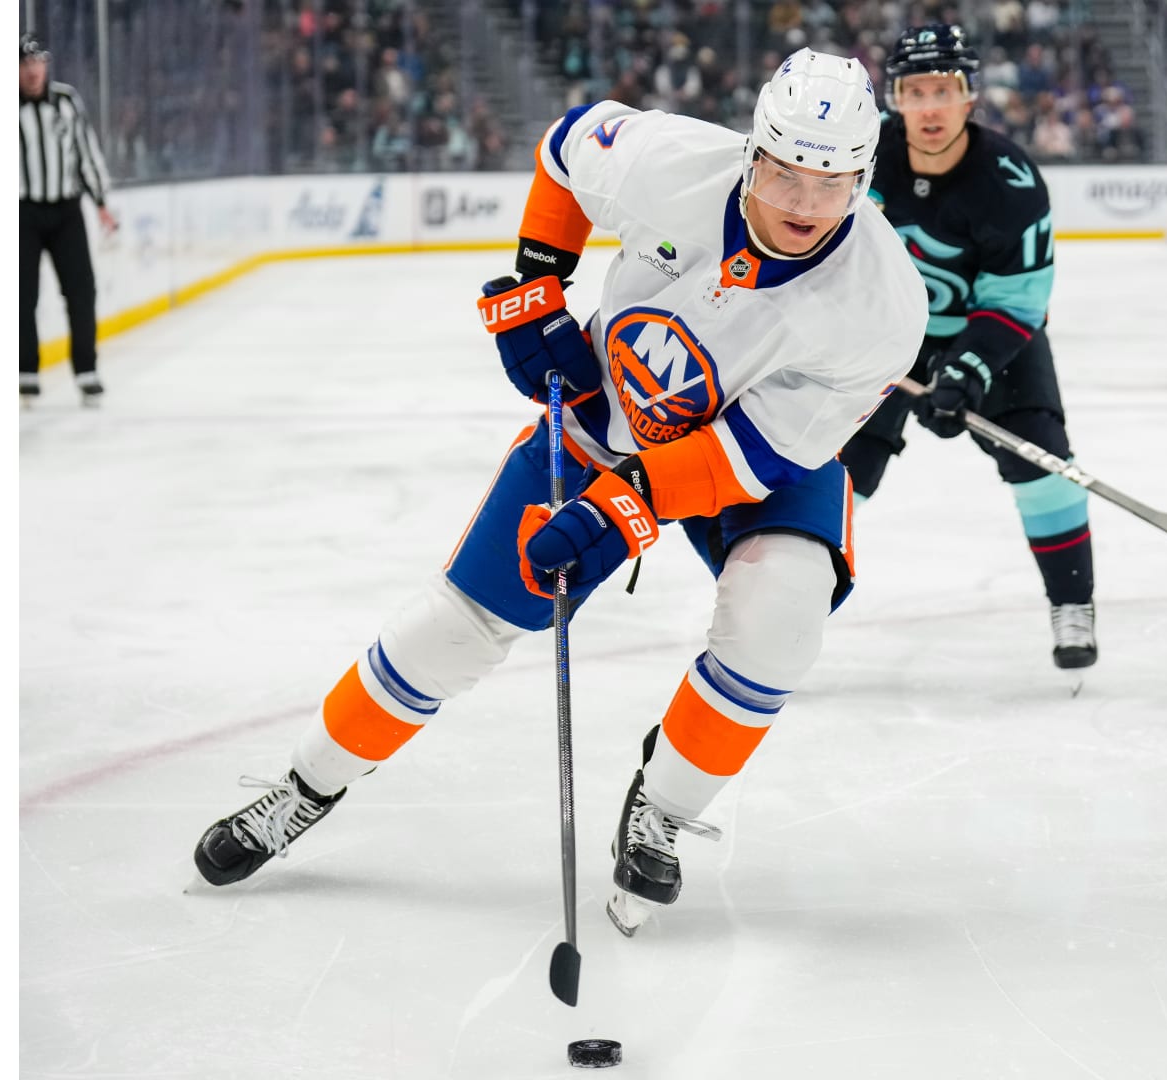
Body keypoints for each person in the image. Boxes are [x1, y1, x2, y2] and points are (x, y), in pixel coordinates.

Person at [190, 49, 926, 937]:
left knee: (782, 621)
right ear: (750, 153)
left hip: (760, 461)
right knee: (455, 626)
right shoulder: (671, 162)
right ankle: (306, 786)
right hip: (604, 415)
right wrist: (537, 282)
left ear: (865, 178)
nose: (803, 204)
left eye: (832, 183)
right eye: (783, 174)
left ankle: (662, 808)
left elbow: (758, 452)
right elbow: (568, 146)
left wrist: (626, 506)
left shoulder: (884, 304)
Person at [839, 24, 1098, 670]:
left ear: (969, 96)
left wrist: (966, 370)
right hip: (885, 335)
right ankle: (780, 606)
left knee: (1042, 461)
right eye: (915, 91)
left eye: (944, 90)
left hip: (988, 334)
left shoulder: (1010, 182)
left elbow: (1016, 303)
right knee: (834, 475)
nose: (930, 108)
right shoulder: (859, 157)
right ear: (895, 98)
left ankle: (1073, 604)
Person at [19, 32, 117, 407]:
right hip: (22, 213)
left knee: (81, 291)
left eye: (37, 63)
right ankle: (26, 373)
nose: (32, 71)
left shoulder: (66, 100)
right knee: (21, 296)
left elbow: (86, 153)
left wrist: (101, 202)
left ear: (46, 65)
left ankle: (86, 371)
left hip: (66, 211)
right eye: (24, 65)